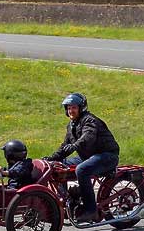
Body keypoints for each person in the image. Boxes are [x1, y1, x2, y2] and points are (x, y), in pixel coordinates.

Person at [43, 93, 120, 222]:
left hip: (107, 155)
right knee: (58, 166)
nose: (70, 111)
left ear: (81, 108)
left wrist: (75, 146)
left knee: (82, 170)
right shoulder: (72, 125)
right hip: (89, 157)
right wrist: (52, 159)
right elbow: (65, 146)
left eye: (73, 107)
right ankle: (65, 202)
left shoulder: (90, 120)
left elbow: (88, 137)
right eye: (68, 108)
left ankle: (91, 211)